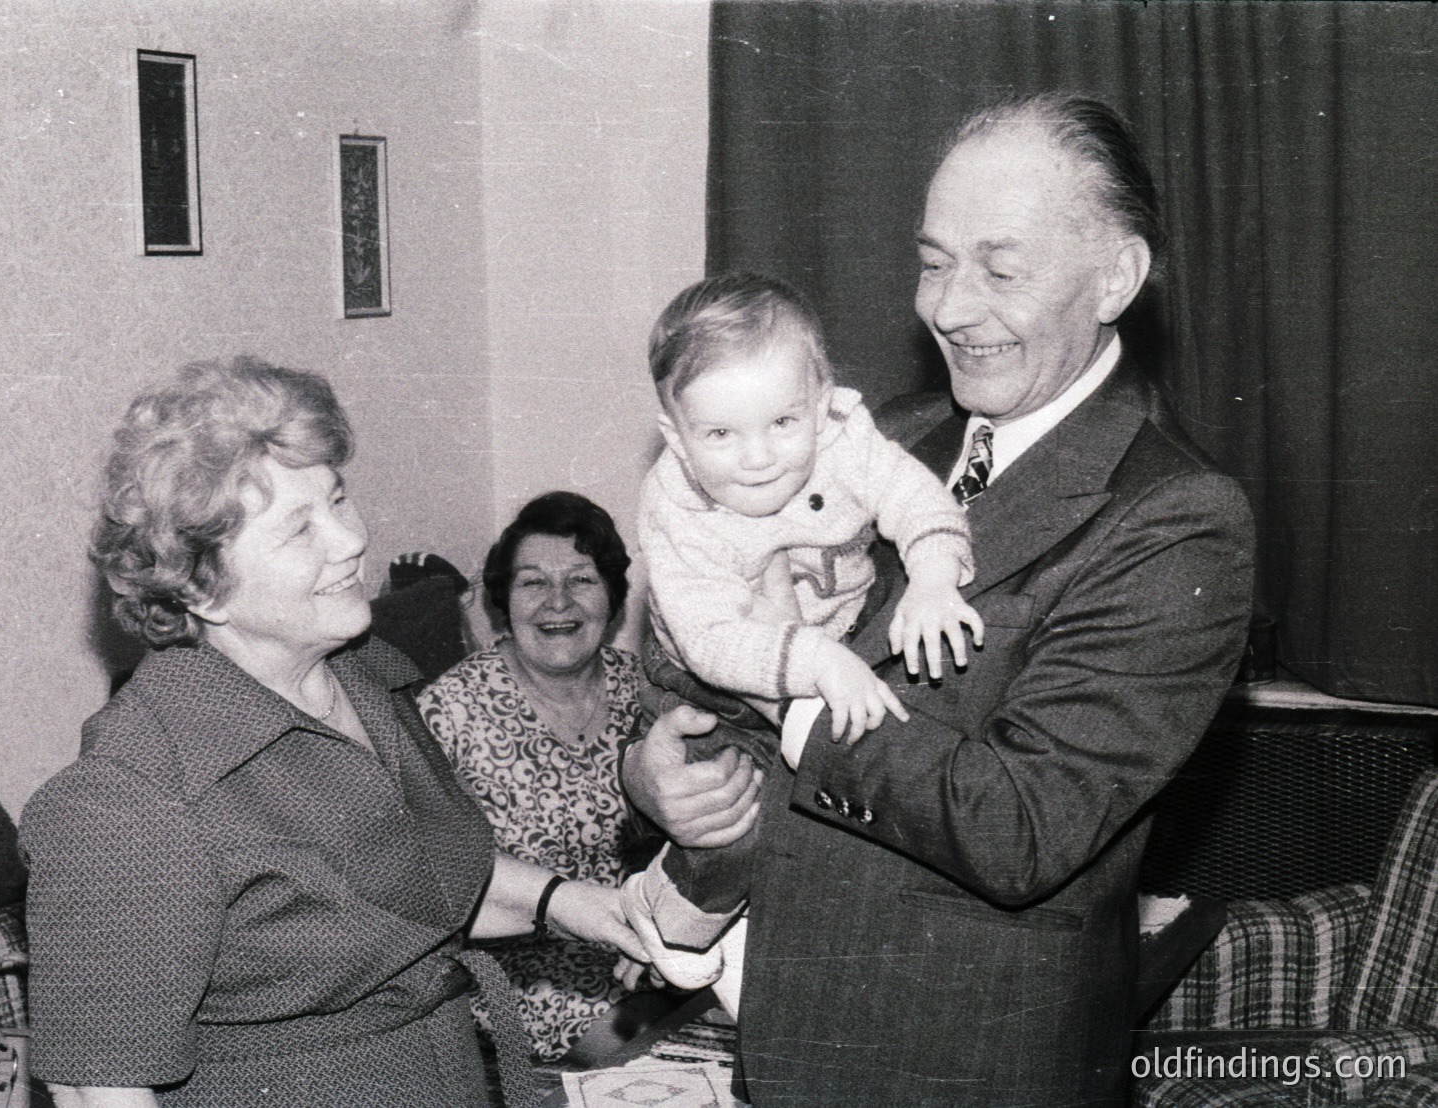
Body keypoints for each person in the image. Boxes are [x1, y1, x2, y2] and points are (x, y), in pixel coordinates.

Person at [623, 92, 1256, 1106]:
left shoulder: (1175, 519)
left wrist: (793, 691)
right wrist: (653, 766)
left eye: (998, 269)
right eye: (931, 261)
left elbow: (1019, 825)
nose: (948, 307)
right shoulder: (887, 434)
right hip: (786, 1041)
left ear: (1114, 277)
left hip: (963, 1069)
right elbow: (689, 617)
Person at [19, 357, 646, 1108]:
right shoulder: (130, 798)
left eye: (338, 498)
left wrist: (588, 908)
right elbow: (97, 1089)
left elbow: (423, 890)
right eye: (299, 529)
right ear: (199, 586)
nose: (350, 539)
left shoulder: (366, 674)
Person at [623, 272, 981, 986]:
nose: (757, 458)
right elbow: (711, 639)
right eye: (720, 433)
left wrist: (937, 573)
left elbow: (916, 500)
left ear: (821, 407)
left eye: (783, 423)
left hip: (832, 643)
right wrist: (815, 658)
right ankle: (668, 913)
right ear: (676, 434)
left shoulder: (848, 437)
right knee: (732, 823)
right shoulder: (674, 504)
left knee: (809, 809)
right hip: (705, 676)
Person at [418, 491, 654, 1061]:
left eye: (581, 579)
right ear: (503, 600)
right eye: (532, 583)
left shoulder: (648, 691)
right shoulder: (448, 711)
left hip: (646, 960)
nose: (558, 602)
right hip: (516, 986)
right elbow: (425, 886)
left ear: (613, 598)